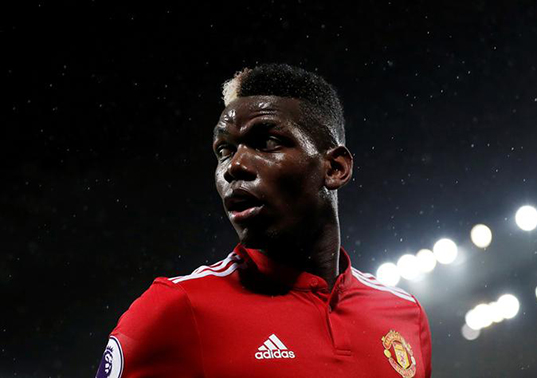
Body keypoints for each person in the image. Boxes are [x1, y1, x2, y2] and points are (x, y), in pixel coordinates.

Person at [96, 63, 432, 378]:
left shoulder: (404, 313)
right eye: (224, 149)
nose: (235, 166)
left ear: (335, 168)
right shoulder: (177, 308)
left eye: (267, 142)